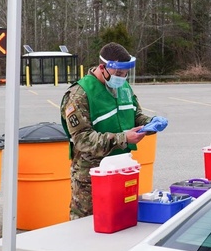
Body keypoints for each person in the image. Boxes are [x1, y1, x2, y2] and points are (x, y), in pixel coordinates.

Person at [60, 43, 165, 220]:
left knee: (120, 220)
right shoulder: (79, 94)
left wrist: (150, 123)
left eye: (125, 74)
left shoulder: (123, 87)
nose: (122, 78)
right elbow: (82, 139)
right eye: (118, 74)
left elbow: (134, 114)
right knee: (86, 227)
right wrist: (124, 138)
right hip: (92, 176)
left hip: (121, 169)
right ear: (103, 68)